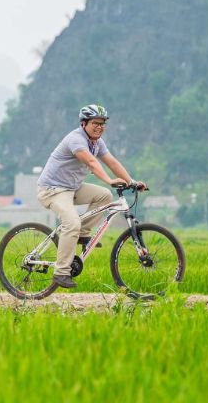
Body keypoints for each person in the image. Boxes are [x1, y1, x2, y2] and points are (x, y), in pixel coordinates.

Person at [36, 104, 147, 289]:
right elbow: (91, 162)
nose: (100, 127)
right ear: (84, 123)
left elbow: (111, 161)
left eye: (103, 124)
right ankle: (61, 272)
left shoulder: (97, 142)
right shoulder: (76, 139)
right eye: (96, 123)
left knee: (104, 195)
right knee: (71, 223)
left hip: (72, 188)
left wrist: (132, 181)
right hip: (52, 189)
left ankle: (81, 234)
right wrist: (109, 180)